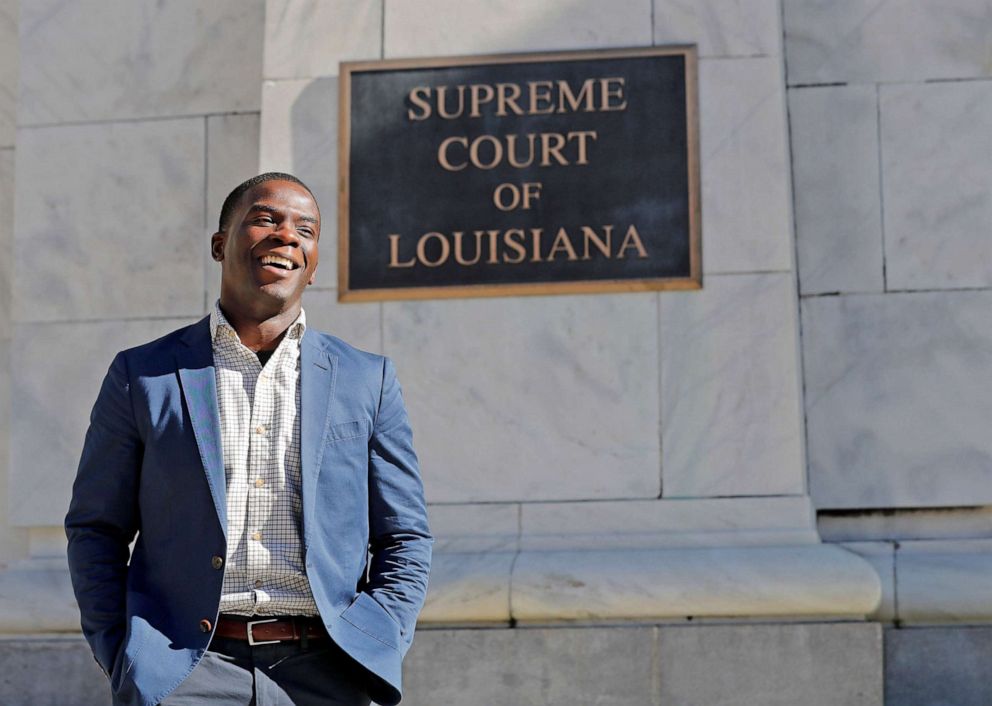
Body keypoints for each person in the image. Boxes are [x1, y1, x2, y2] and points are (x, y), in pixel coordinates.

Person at [65, 172, 432, 706]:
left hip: (329, 672)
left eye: (305, 229)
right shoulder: (143, 375)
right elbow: (96, 527)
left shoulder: (365, 378)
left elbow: (405, 535)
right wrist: (123, 655)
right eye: (266, 219)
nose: (288, 236)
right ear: (220, 245)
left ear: (313, 260)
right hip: (187, 672)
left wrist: (382, 635)